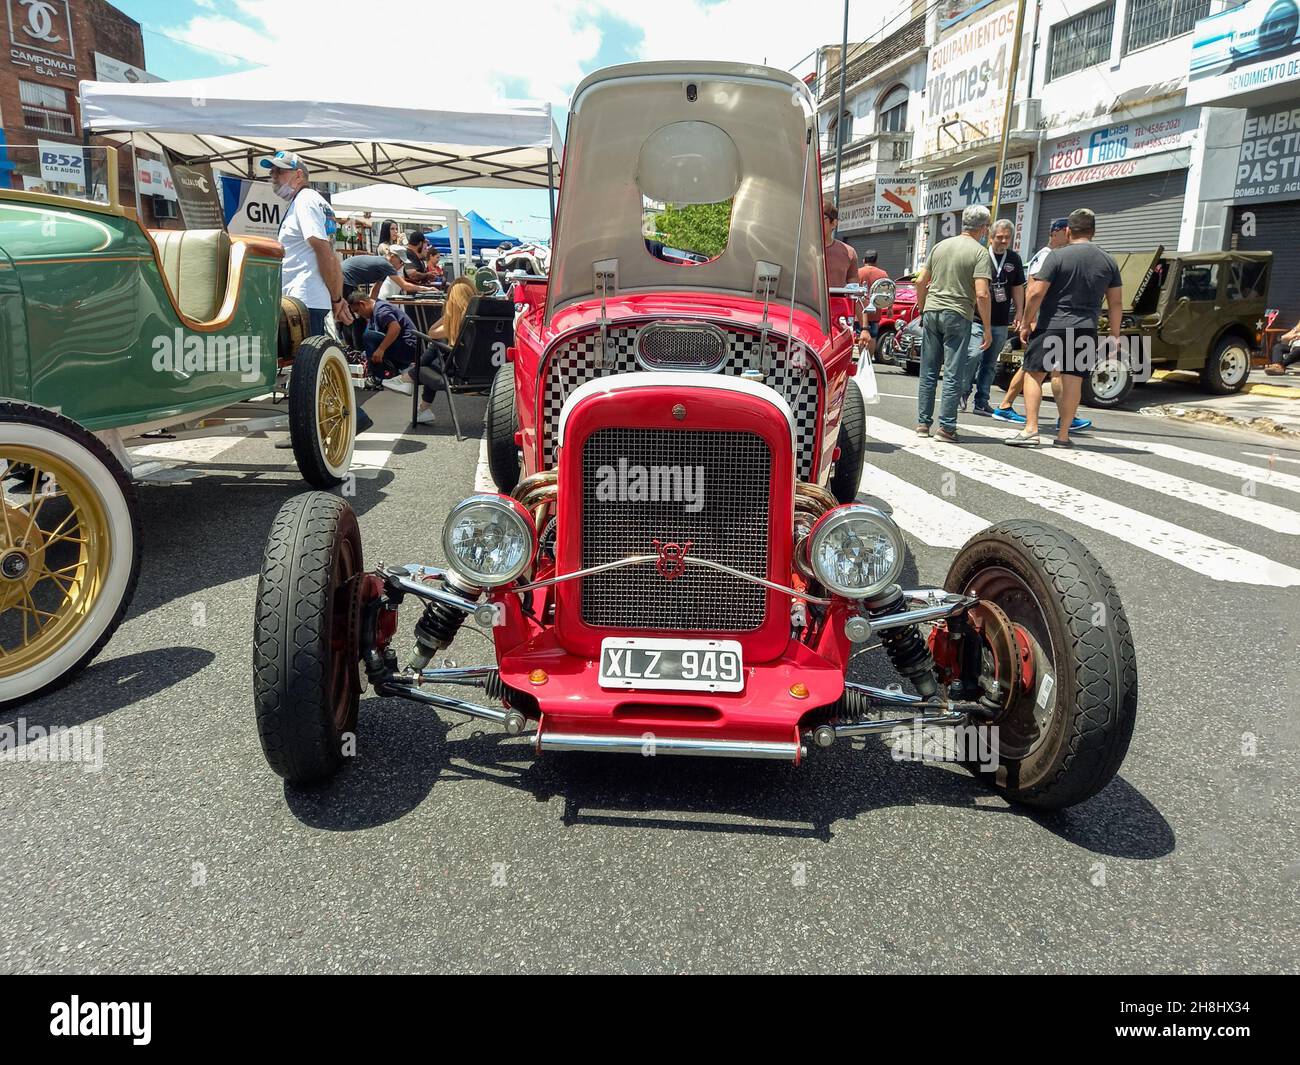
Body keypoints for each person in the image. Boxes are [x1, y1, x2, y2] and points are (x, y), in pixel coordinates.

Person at [263, 150, 372, 436]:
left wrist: (336, 298)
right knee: (312, 369)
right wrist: (335, 298)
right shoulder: (309, 202)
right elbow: (328, 254)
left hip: (303, 301)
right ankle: (333, 423)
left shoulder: (306, 201)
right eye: (272, 171)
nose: (273, 176)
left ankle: (325, 427)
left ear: (299, 175)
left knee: (308, 371)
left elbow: (322, 250)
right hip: (307, 299)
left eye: (280, 171)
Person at [1006, 208, 1122, 449]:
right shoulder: (1108, 260)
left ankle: (1031, 430)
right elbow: (1116, 303)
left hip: (1052, 325)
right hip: (1085, 329)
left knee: (1034, 374)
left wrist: (1026, 322)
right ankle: (1064, 435)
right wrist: (1115, 335)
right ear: (1093, 231)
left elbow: (1036, 292)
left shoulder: (1057, 256)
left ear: (1068, 231)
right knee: (1073, 381)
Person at [992, 217, 1090, 431]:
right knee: (1044, 367)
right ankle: (1066, 415)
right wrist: (1031, 319)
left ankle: (1008, 405)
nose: (1070, 235)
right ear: (1057, 233)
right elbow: (1033, 288)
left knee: (1038, 367)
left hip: (1052, 320)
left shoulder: (1058, 256)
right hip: (1045, 320)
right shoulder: (1046, 256)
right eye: (1067, 231)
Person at [912, 204, 993, 442]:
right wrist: (987, 328)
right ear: (984, 228)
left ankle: (922, 424)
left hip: (933, 310)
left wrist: (923, 307)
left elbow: (920, 282)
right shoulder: (980, 253)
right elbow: (982, 294)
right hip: (958, 313)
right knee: (952, 372)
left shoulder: (940, 246)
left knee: (928, 371)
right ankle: (946, 427)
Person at [961, 219, 1024, 416]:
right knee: (973, 355)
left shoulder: (1014, 259)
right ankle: (962, 393)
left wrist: (1020, 311)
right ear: (990, 237)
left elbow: (1018, 287)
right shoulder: (980, 255)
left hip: (1001, 320)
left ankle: (982, 401)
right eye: (999, 237)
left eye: (1007, 237)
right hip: (976, 318)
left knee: (990, 363)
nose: (1003, 241)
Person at [347, 292, 423, 394]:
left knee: (369, 336)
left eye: (357, 311)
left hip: (409, 348)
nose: (359, 315)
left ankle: (377, 377)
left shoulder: (381, 310)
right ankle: (391, 372)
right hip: (408, 347)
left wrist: (381, 349)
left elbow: (395, 328)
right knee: (368, 337)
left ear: (362, 304)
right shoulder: (376, 310)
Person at [857, 249, 889, 356]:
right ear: (876, 261)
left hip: (860, 312)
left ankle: (862, 359)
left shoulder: (858, 272)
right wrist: (890, 309)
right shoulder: (883, 274)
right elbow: (888, 291)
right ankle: (869, 360)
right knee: (873, 337)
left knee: (860, 335)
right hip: (876, 311)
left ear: (863, 260)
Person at [822, 205, 858, 289]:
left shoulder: (849, 252)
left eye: (821, 218)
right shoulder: (799, 249)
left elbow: (853, 285)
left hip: (836, 301)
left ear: (834, 223)